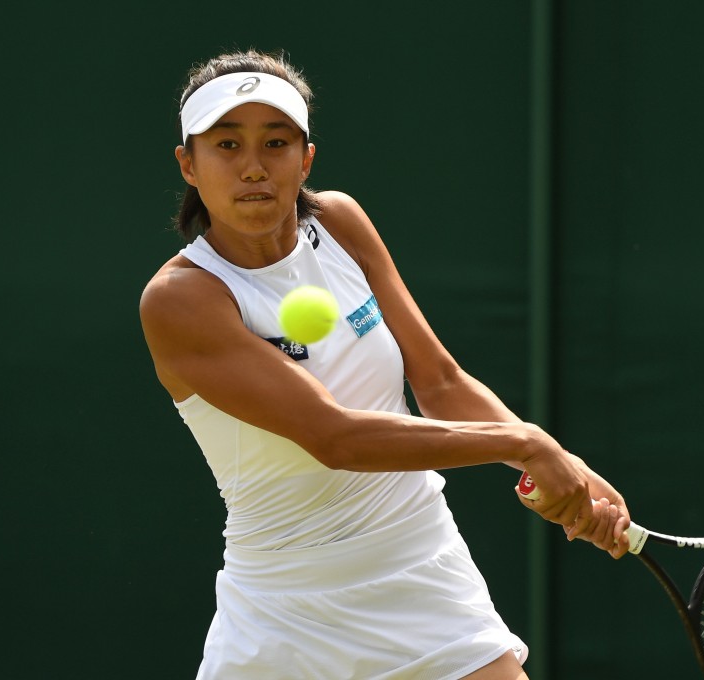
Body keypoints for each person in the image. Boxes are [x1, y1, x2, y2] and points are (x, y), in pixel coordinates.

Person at [139, 49, 632, 680]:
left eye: (276, 143)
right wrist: (528, 444)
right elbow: (335, 438)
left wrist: (569, 468)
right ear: (189, 164)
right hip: (284, 618)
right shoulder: (181, 299)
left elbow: (440, 382)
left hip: (424, 572)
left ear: (306, 158)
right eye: (227, 145)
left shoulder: (340, 223)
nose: (254, 167)